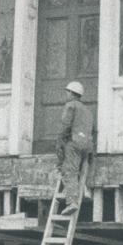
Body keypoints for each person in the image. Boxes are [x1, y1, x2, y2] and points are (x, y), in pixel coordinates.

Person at [55, 80, 95, 215]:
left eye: (67, 92)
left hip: (75, 144)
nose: (66, 94)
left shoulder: (70, 105)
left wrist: (60, 143)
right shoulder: (88, 111)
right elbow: (93, 130)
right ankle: (84, 189)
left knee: (69, 170)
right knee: (81, 170)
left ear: (72, 93)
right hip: (87, 145)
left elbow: (65, 125)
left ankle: (72, 201)